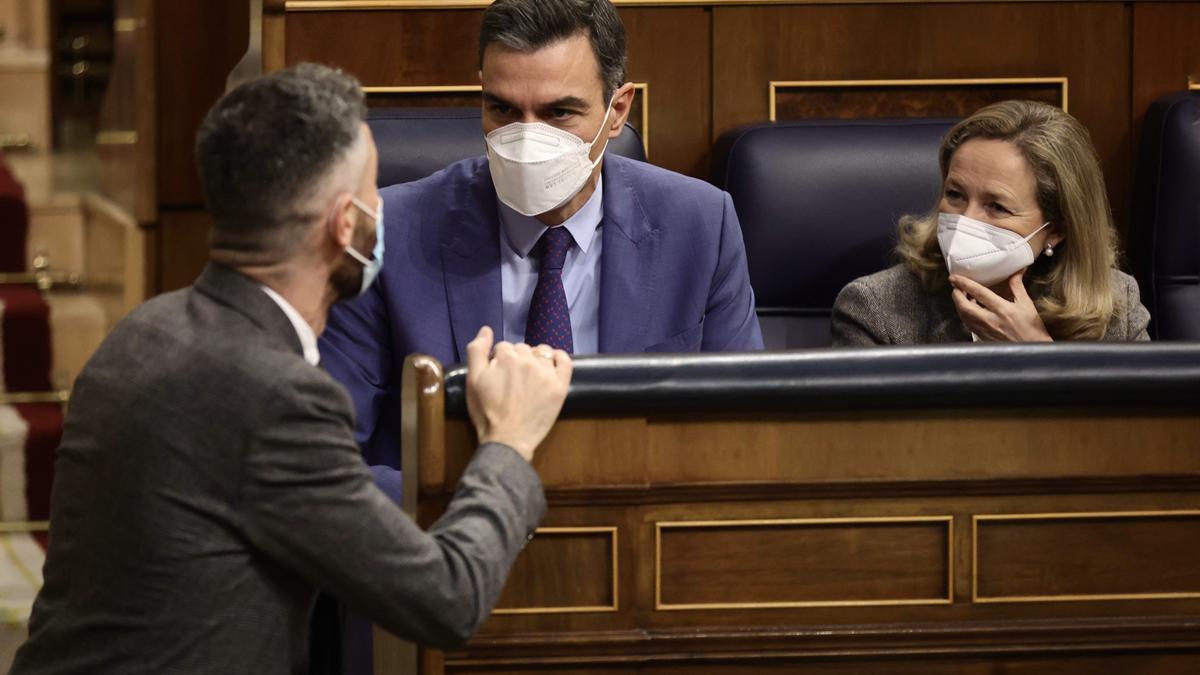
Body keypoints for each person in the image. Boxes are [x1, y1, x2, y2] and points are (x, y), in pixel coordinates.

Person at [10, 63, 572, 675]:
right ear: (344, 224)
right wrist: (510, 444)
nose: (382, 213)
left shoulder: (140, 334)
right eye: (373, 191)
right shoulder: (275, 395)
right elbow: (445, 601)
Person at [320, 0, 763, 491]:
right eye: (503, 109)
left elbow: (744, 439)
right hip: (450, 537)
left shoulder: (701, 224)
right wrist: (490, 503)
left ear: (617, 111)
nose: (527, 139)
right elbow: (328, 458)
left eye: (559, 112)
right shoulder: (392, 231)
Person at [831, 100, 1150, 345]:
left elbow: (1142, 431)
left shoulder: (1116, 306)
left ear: (1056, 229)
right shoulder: (875, 308)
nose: (965, 220)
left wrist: (1040, 357)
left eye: (997, 206)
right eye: (955, 194)